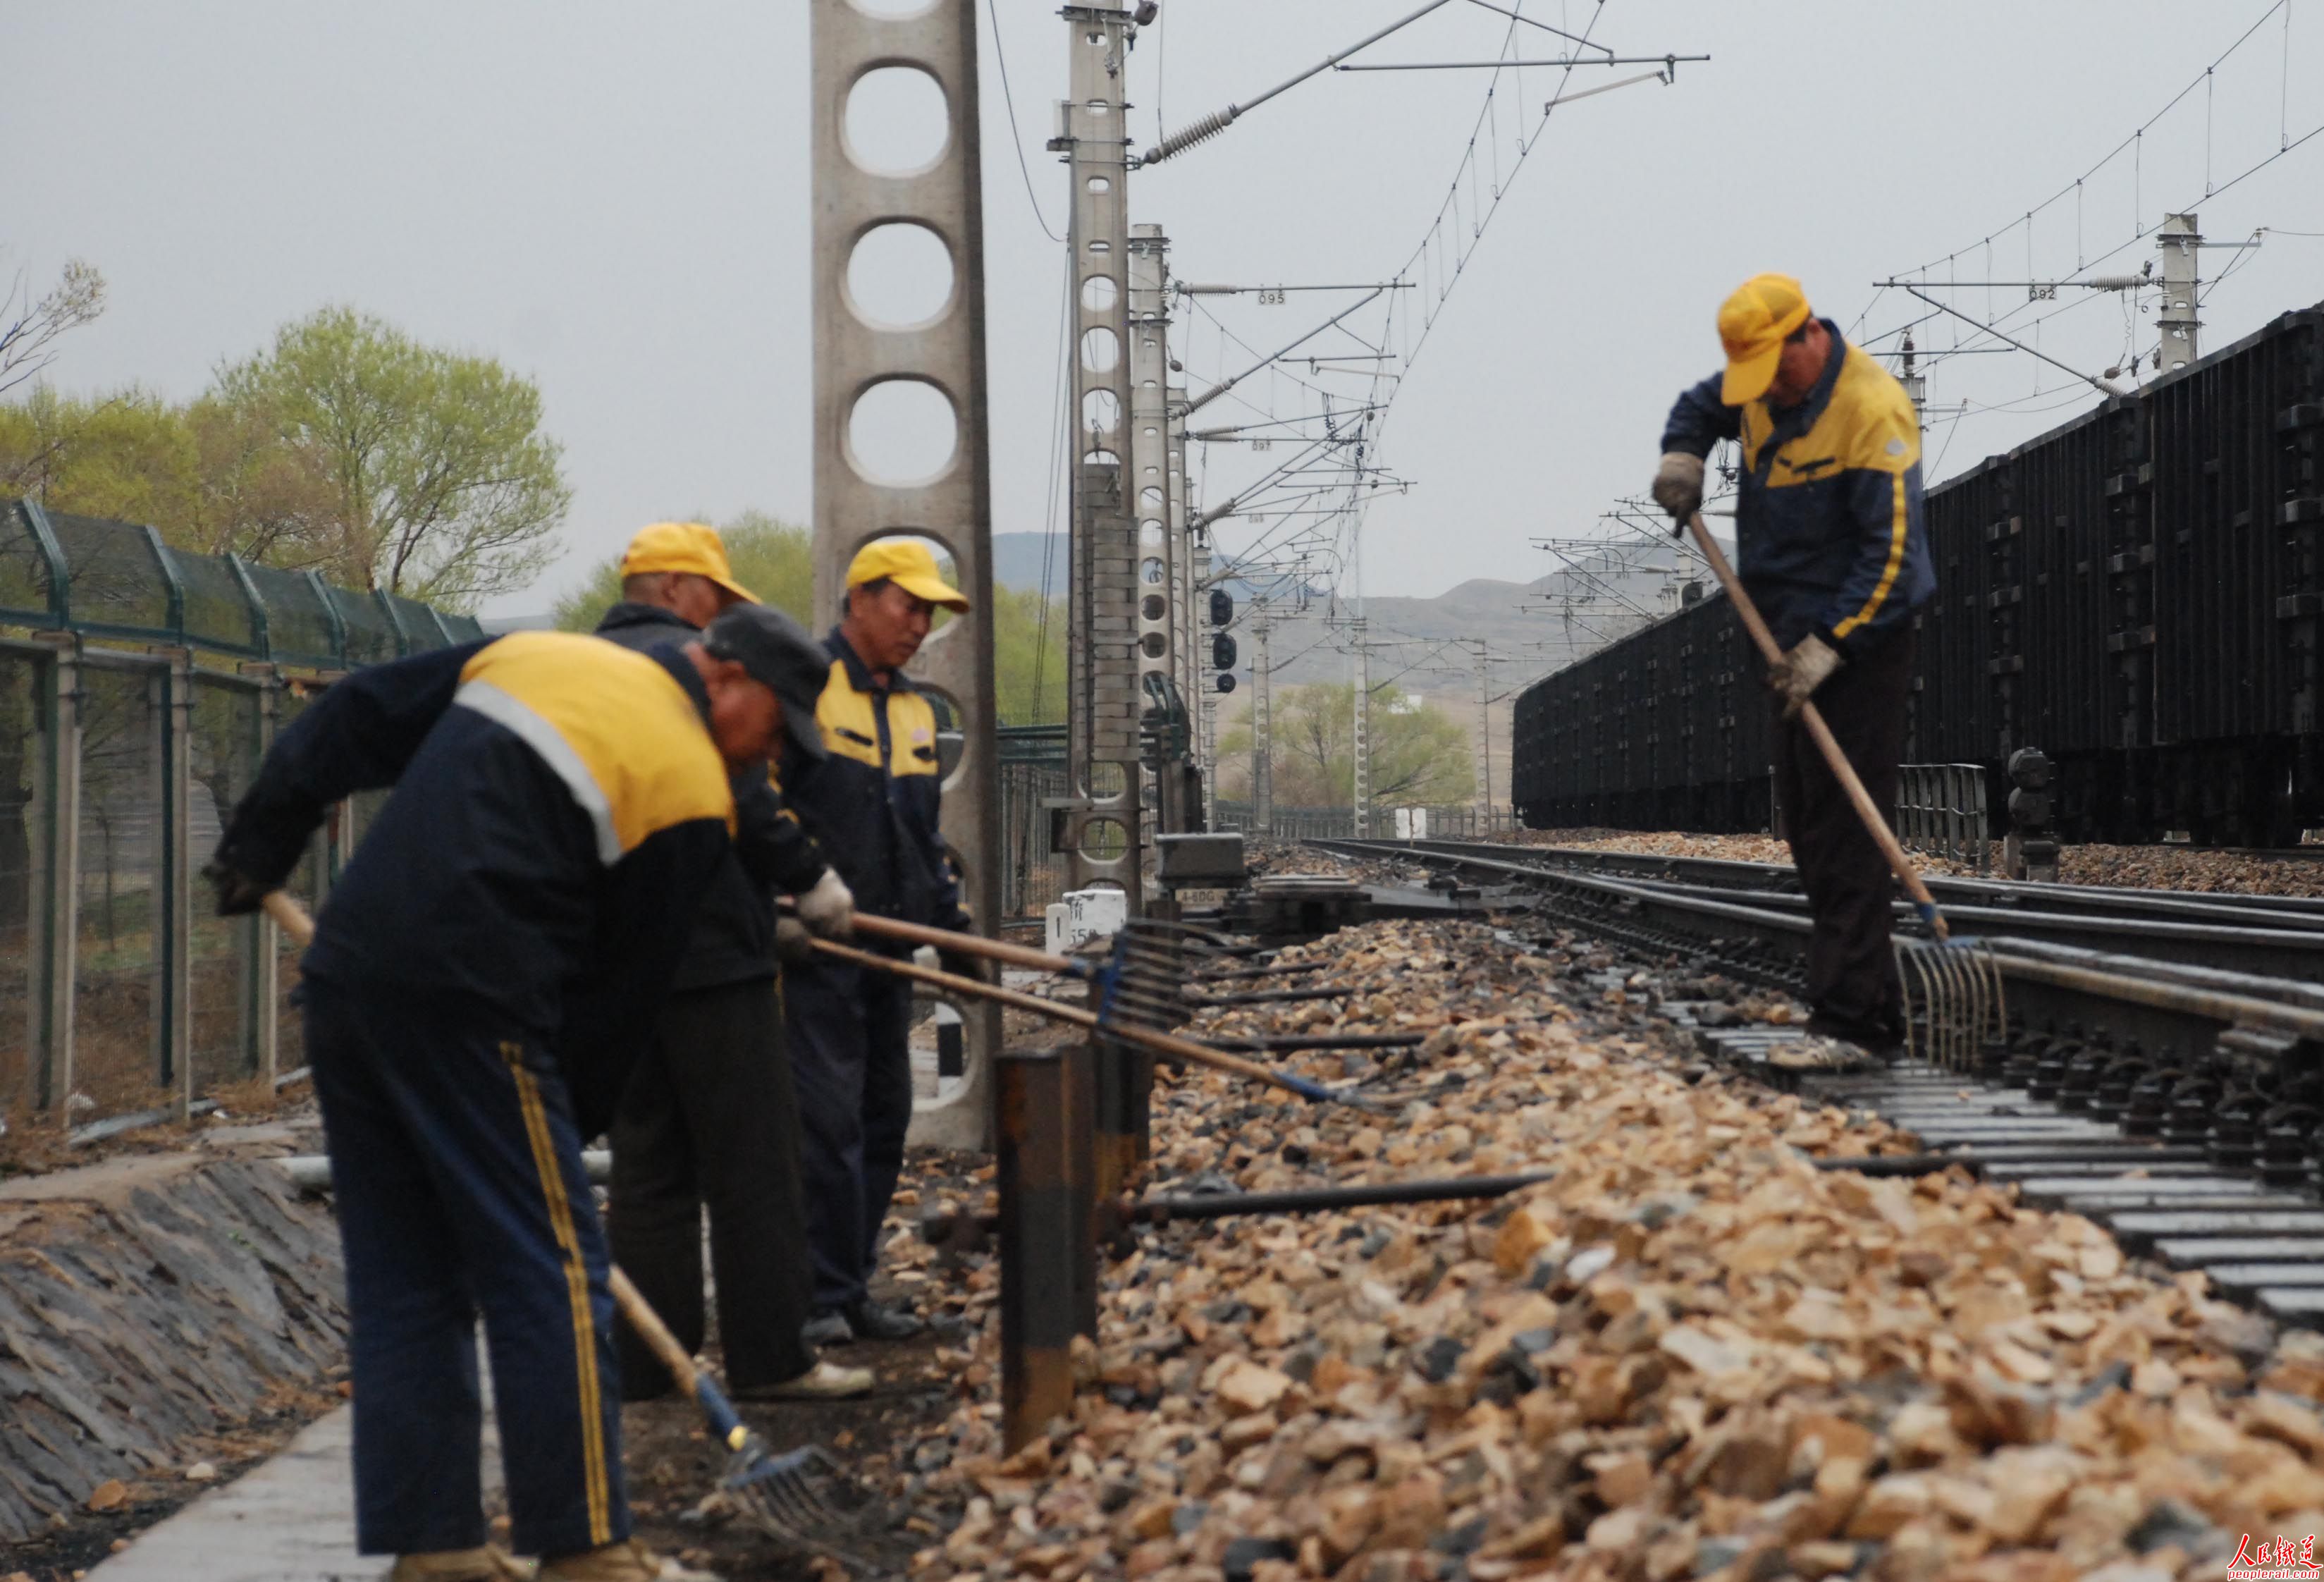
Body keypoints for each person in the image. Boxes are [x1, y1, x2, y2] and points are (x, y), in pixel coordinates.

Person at [206, 605, 832, 1582]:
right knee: (550, 1266)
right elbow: (623, 994)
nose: (772, 758)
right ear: (728, 679)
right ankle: (585, 1547)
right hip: (478, 1006)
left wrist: (260, 841)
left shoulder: (540, 658)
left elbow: (356, 716)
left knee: (409, 1276)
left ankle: (437, 1544)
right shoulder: (688, 788)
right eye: (777, 730)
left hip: (351, 981)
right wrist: (563, 1125)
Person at [589, 522, 869, 1404]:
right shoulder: (696, 670)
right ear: (674, 588)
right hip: (714, 957)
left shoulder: (588, 667)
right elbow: (740, 785)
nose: (721, 618)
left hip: (620, 960)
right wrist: (803, 880)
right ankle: (773, 1358)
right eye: (715, 594)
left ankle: (650, 1365)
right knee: (755, 1161)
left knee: (649, 1171)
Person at [1652, 272, 1936, 1053]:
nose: (1767, 390)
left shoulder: (1872, 412)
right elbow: (1701, 405)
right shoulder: (1760, 381)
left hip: (1857, 644)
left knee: (1846, 830)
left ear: (1809, 336)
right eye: (1757, 378)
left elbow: (1896, 562)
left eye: (1777, 371)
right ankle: (1872, 1000)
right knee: (1809, 829)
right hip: (1777, 636)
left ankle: (1849, 1020)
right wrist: (1683, 454)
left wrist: (1831, 645)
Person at [781, 540, 973, 1347]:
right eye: (908, 606)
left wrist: (953, 930)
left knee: (885, 1118)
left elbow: (919, 839)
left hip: (889, 955)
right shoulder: (806, 691)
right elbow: (770, 809)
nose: (920, 625)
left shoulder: (916, 710)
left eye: (930, 612)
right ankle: (815, 1299)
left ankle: (851, 1287)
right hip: (821, 953)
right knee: (827, 1125)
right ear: (859, 598)